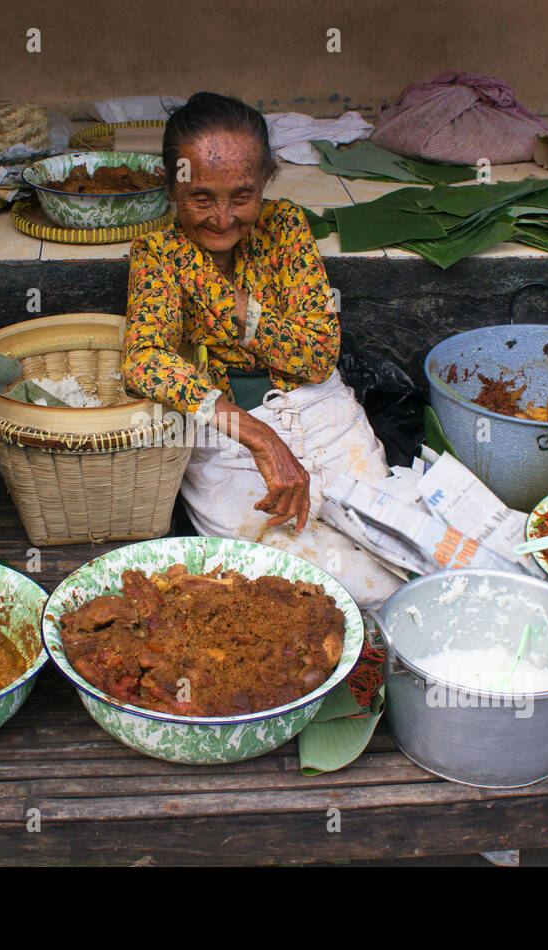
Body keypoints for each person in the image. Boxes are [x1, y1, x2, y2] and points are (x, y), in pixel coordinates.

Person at [121, 91, 404, 607]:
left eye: (242, 196)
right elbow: (144, 359)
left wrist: (228, 304)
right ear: (170, 185)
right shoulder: (156, 252)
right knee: (289, 585)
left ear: (268, 180)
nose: (223, 218)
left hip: (322, 411)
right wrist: (260, 436)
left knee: (395, 563)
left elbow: (318, 354)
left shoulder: (287, 228)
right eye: (201, 197)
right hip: (228, 436)